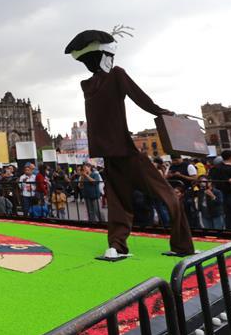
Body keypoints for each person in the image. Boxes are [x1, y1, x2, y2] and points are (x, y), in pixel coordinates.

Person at [64, 27, 194, 259]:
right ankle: (183, 246)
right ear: (106, 56)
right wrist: (167, 114)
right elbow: (142, 99)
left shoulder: (88, 86)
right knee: (168, 195)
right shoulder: (117, 75)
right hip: (125, 150)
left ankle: (117, 246)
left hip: (108, 153)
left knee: (117, 202)